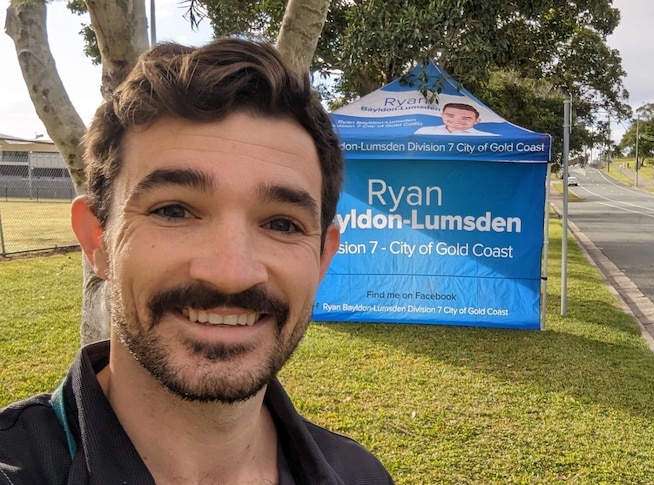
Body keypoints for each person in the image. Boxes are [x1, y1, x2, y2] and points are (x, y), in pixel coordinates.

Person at [0, 38, 393, 484]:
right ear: (97, 240)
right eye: (173, 211)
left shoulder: (362, 474)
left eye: (282, 224)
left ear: (323, 257)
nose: (231, 272)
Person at [413, 102, 497, 136]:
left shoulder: (489, 138)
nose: (457, 121)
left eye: (465, 118)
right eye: (450, 116)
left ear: (477, 121)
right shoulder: (423, 132)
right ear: (442, 115)